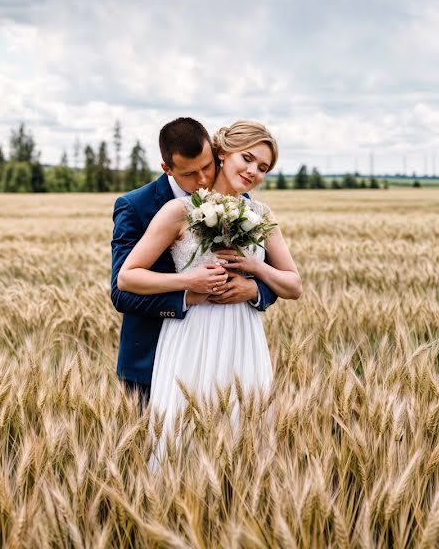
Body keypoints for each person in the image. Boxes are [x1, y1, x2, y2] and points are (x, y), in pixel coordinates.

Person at [116, 120, 302, 471]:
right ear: (222, 153)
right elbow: (125, 279)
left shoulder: (261, 214)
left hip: (243, 337)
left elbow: (294, 285)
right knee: (180, 441)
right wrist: (190, 283)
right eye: (247, 159)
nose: (253, 171)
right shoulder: (177, 210)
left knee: (244, 436)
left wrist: (256, 274)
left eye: (263, 168)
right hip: (189, 336)